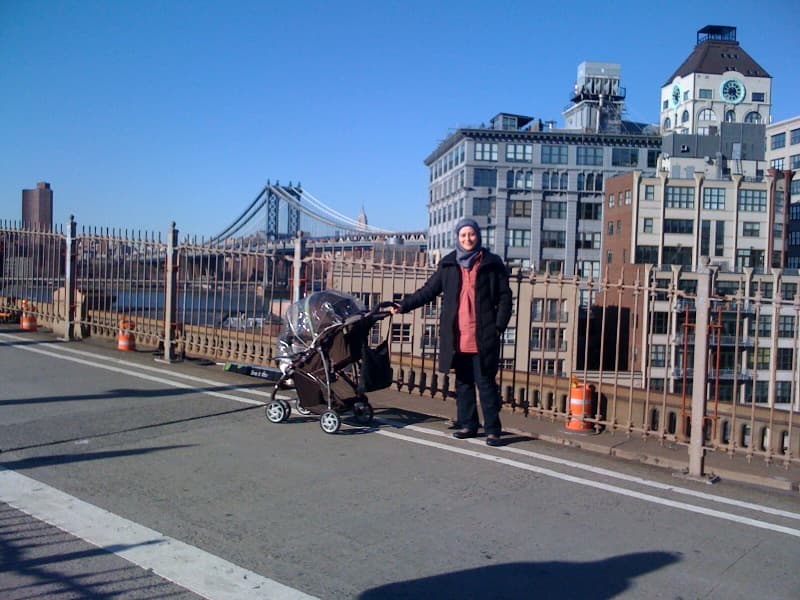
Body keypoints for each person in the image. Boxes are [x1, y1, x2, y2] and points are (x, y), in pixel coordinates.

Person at [391, 218, 512, 447]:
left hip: (483, 335)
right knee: (464, 382)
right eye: (463, 235)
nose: (468, 239)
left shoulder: (492, 263)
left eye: (471, 234)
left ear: (478, 236)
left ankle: (493, 430)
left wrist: (498, 326)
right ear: (457, 238)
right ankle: (468, 424)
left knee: (485, 383)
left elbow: (505, 298)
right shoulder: (448, 264)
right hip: (457, 335)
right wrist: (403, 305)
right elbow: (428, 291)